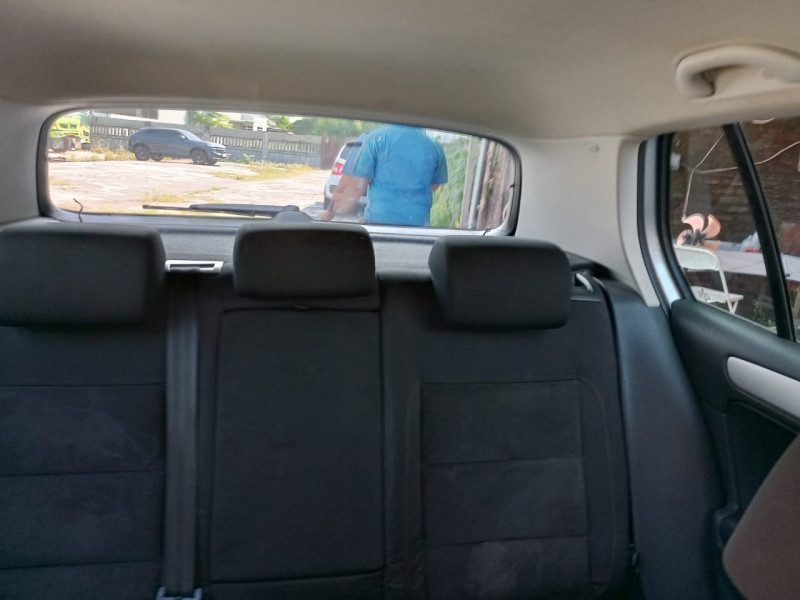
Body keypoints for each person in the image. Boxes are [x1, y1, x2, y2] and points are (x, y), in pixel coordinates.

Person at [320, 124, 447, 225]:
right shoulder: (434, 145)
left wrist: (331, 211)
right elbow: (434, 185)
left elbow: (355, 185)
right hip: (418, 223)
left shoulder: (376, 137)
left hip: (379, 221)